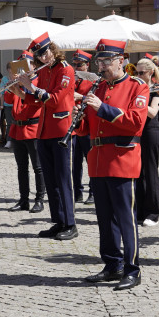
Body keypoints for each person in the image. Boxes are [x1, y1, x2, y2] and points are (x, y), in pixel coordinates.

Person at [82, 39, 151, 289]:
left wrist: (103, 108)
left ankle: (132, 269)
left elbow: (135, 122)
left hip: (123, 157)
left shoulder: (137, 86)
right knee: (104, 217)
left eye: (106, 61)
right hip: (99, 158)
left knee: (125, 217)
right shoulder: (97, 87)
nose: (101, 66)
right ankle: (112, 264)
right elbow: (88, 126)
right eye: (98, 61)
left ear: (121, 61)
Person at [20, 32, 78, 241]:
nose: (43, 57)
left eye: (45, 52)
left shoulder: (66, 70)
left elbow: (55, 99)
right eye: (39, 55)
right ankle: (59, 221)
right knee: (51, 178)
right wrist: (24, 88)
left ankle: (70, 223)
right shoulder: (44, 71)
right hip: (44, 129)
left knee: (63, 179)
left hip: (61, 129)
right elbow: (36, 102)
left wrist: (32, 87)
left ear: (52, 49)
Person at [5, 51, 46, 214]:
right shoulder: (20, 82)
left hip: (33, 128)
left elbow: (37, 103)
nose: (22, 68)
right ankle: (23, 200)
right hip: (17, 128)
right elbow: (8, 101)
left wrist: (25, 86)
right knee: (21, 167)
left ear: (34, 65)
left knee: (38, 167)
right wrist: (12, 86)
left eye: (26, 64)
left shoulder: (38, 81)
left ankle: (39, 200)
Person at [134, 57, 159, 226]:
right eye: (136, 72)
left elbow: (152, 112)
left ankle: (153, 213)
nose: (138, 75)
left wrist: (136, 103)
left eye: (141, 72)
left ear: (151, 72)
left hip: (151, 131)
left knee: (151, 173)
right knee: (138, 172)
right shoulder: (137, 88)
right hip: (138, 131)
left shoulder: (157, 88)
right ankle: (139, 211)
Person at [70, 50, 95, 205]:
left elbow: (94, 99)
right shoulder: (73, 80)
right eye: (75, 64)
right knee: (75, 162)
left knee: (90, 160)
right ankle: (77, 192)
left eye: (80, 64)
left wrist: (80, 97)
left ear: (87, 65)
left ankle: (92, 192)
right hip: (74, 124)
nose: (77, 67)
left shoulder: (93, 80)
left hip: (87, 123)